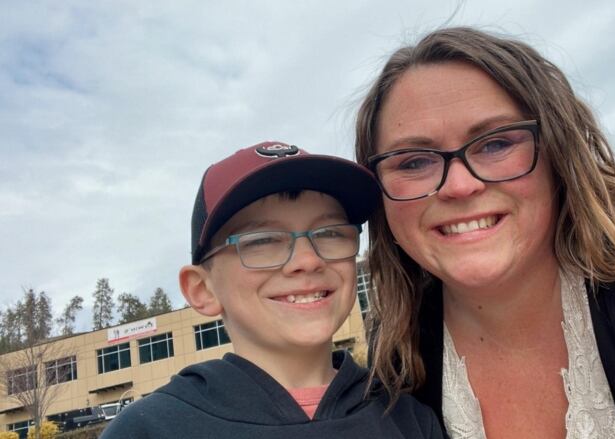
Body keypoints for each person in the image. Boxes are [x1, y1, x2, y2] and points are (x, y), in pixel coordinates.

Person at [354, 27, 615, 438]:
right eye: (412, 162)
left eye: (497, 143)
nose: (460, 186)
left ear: (559, 152)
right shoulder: (397, 368)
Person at [101, 141, 444, 438]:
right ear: (202, 289)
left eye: (329, 233)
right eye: (263, 241)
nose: (307, 261)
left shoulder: (410, 420)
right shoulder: (150, 429)